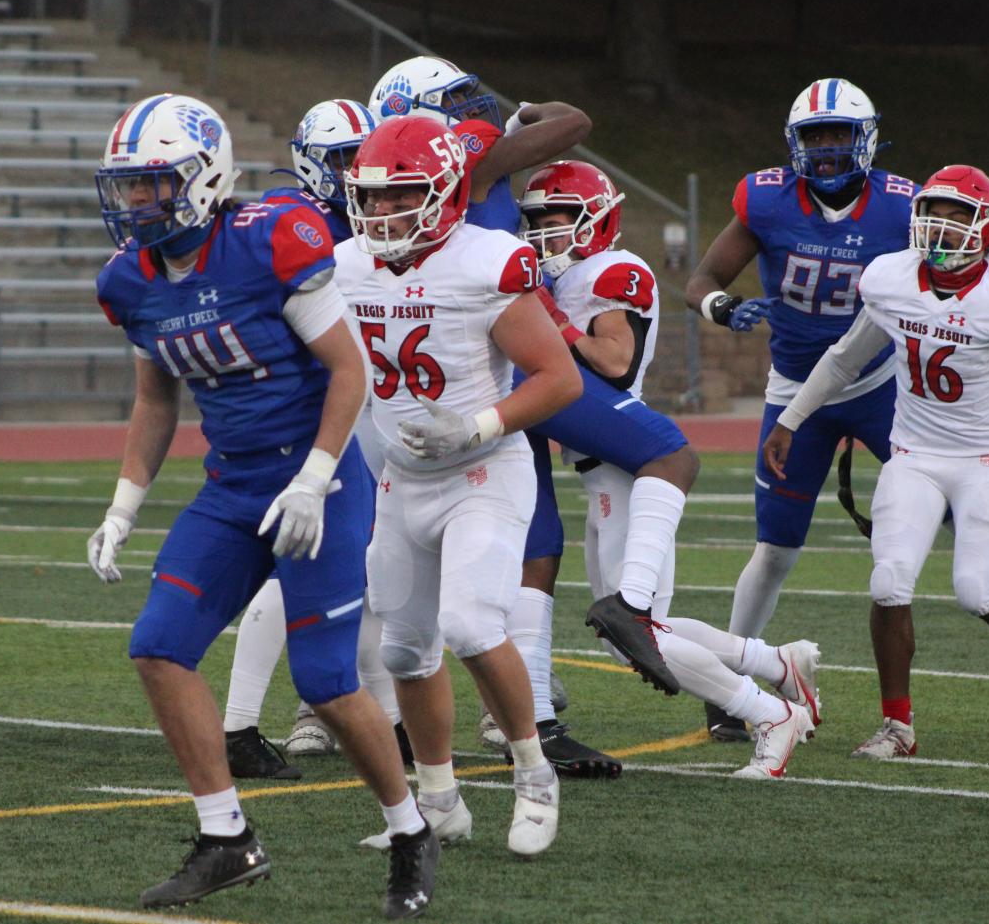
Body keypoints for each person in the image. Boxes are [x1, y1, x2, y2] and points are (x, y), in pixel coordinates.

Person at [87, 94, 437, 919]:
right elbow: (155, 400)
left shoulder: (268, 241)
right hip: (233, 484)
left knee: (325, 679)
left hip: (317, 481)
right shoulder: (129, 281)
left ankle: (408, 826)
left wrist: (316, 477)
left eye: (153, 185)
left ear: (203, 178)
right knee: (159, 646)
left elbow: (347, 371)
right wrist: (122, 506)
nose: (137, 203)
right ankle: (225, 837)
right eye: (128, 187)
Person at [687, 78, 989, 742]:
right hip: (802, 385)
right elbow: (713, 284)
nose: (824, 151)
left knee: (976, 546)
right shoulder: (769, 203)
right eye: (812, 137)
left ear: (866, 140)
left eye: (837, 135)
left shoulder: (913, 209)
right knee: (781, 549)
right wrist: (723, 311)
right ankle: (732, 688)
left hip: (891, 389)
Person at [371, 56, 699, 748]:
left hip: (456, 367)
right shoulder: (467, 164)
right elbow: (574, 122)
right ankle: (632, 606)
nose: (475, 108)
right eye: (458, 100)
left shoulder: (404, 195)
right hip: (510, 363)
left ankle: (527, 718)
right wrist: (520, 111)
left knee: (536, 541)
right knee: (669, 452)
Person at [762, 164, 989, 757]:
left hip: (985, 457)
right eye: (934, 213)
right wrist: (790, 419)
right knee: (888, 581)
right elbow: (844, 358)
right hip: (913, 451)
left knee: (977, 591)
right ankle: (898, 727)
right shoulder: (889, 279)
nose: (943, 227)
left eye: (959, 215)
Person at [519, 160, 822, 780]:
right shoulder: (574, 274)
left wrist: (552, 319)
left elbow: (613, 360)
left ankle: (768, 712)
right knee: (635, 628)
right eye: (537, 225)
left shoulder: (614, 269)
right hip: (603, 471)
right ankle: (774, 664)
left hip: (628, 466)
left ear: (596, 222)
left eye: (557, 223)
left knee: (633, 632)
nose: (544, 237)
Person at [336, 113, 580, 857]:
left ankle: (534, 773)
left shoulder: (485, 261)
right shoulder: (346, 264)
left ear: (443, 190)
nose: (380, 211)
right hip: (403, 480)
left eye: (398, 195)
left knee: (473, 624)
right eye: (371, 198)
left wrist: (475, 425)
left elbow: (560, 377)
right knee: (404, 651)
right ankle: (437, 798)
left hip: (482, 468)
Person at [216, 98, 406, 778]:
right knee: (302, 555)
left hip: (360, 401)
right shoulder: (291, 221)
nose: (358, 173)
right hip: (310, 410)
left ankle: (382, 716)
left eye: (363, 157)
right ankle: (240, 723)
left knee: (370, 557)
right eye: (344, 160)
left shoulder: (366, 215)